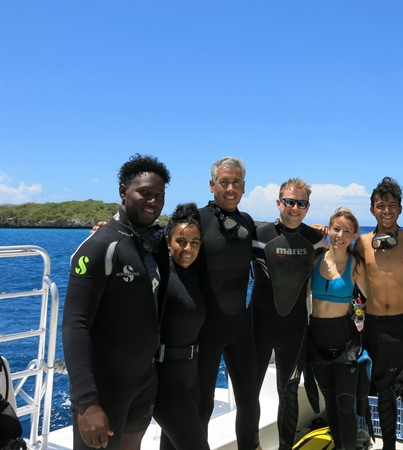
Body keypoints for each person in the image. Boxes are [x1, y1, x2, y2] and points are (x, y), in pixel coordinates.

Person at [63, 154, 171, 450]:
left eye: (158, 195)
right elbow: (75, 324)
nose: (152, 201)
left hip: (144, 382)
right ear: (123, 191)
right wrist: (86, 402)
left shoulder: (153, 243)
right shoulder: (99, 246)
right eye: (144, 193)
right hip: (106, 389)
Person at [250, 178, 326, 450]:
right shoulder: (257, 236)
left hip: (294, 327)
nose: (295, 208)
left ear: (308, 206)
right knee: (250, 393)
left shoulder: (317, 239)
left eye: (301, 203)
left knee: (290, 391)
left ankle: (285, 447)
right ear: (279, 202)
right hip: (258, 325)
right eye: (290, 201)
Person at [190, 157, 261, 450]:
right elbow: (164, 241)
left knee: (249, 400)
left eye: (236, 183)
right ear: (212, 185)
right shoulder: (197, 219)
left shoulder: (247, 223)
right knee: (202, 404)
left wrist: (317, 234)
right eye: (224, 182)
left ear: (244, 187)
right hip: (205, 329)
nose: (230, 188)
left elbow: (279, 239)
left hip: (239, 327)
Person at [353, 176, 403, 450]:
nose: (386, 211)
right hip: (375, 327)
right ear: (372, 209)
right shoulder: (361, 243)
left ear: (401, 209)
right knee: (383, 390)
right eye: (380, 205)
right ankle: (387, 447)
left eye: (392, 205)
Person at [153, 203, 208, 450]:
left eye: (195, 242)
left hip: (190, 377)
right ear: (168, 241)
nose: (188, 248)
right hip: (166, 383)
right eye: (181, 241)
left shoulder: (193, 276)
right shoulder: (159, 277)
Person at [307, 207, 362, 450]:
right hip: (316, 339)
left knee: (344, 406)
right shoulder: (316, 258)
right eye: (336, 229)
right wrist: (313, 236)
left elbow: (374, 298)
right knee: (330, 402)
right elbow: (296, 290)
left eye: (346, 231)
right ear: (328, 230)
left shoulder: (355, 264)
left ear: (354, 236)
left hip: (344, 341)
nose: (340, 235)